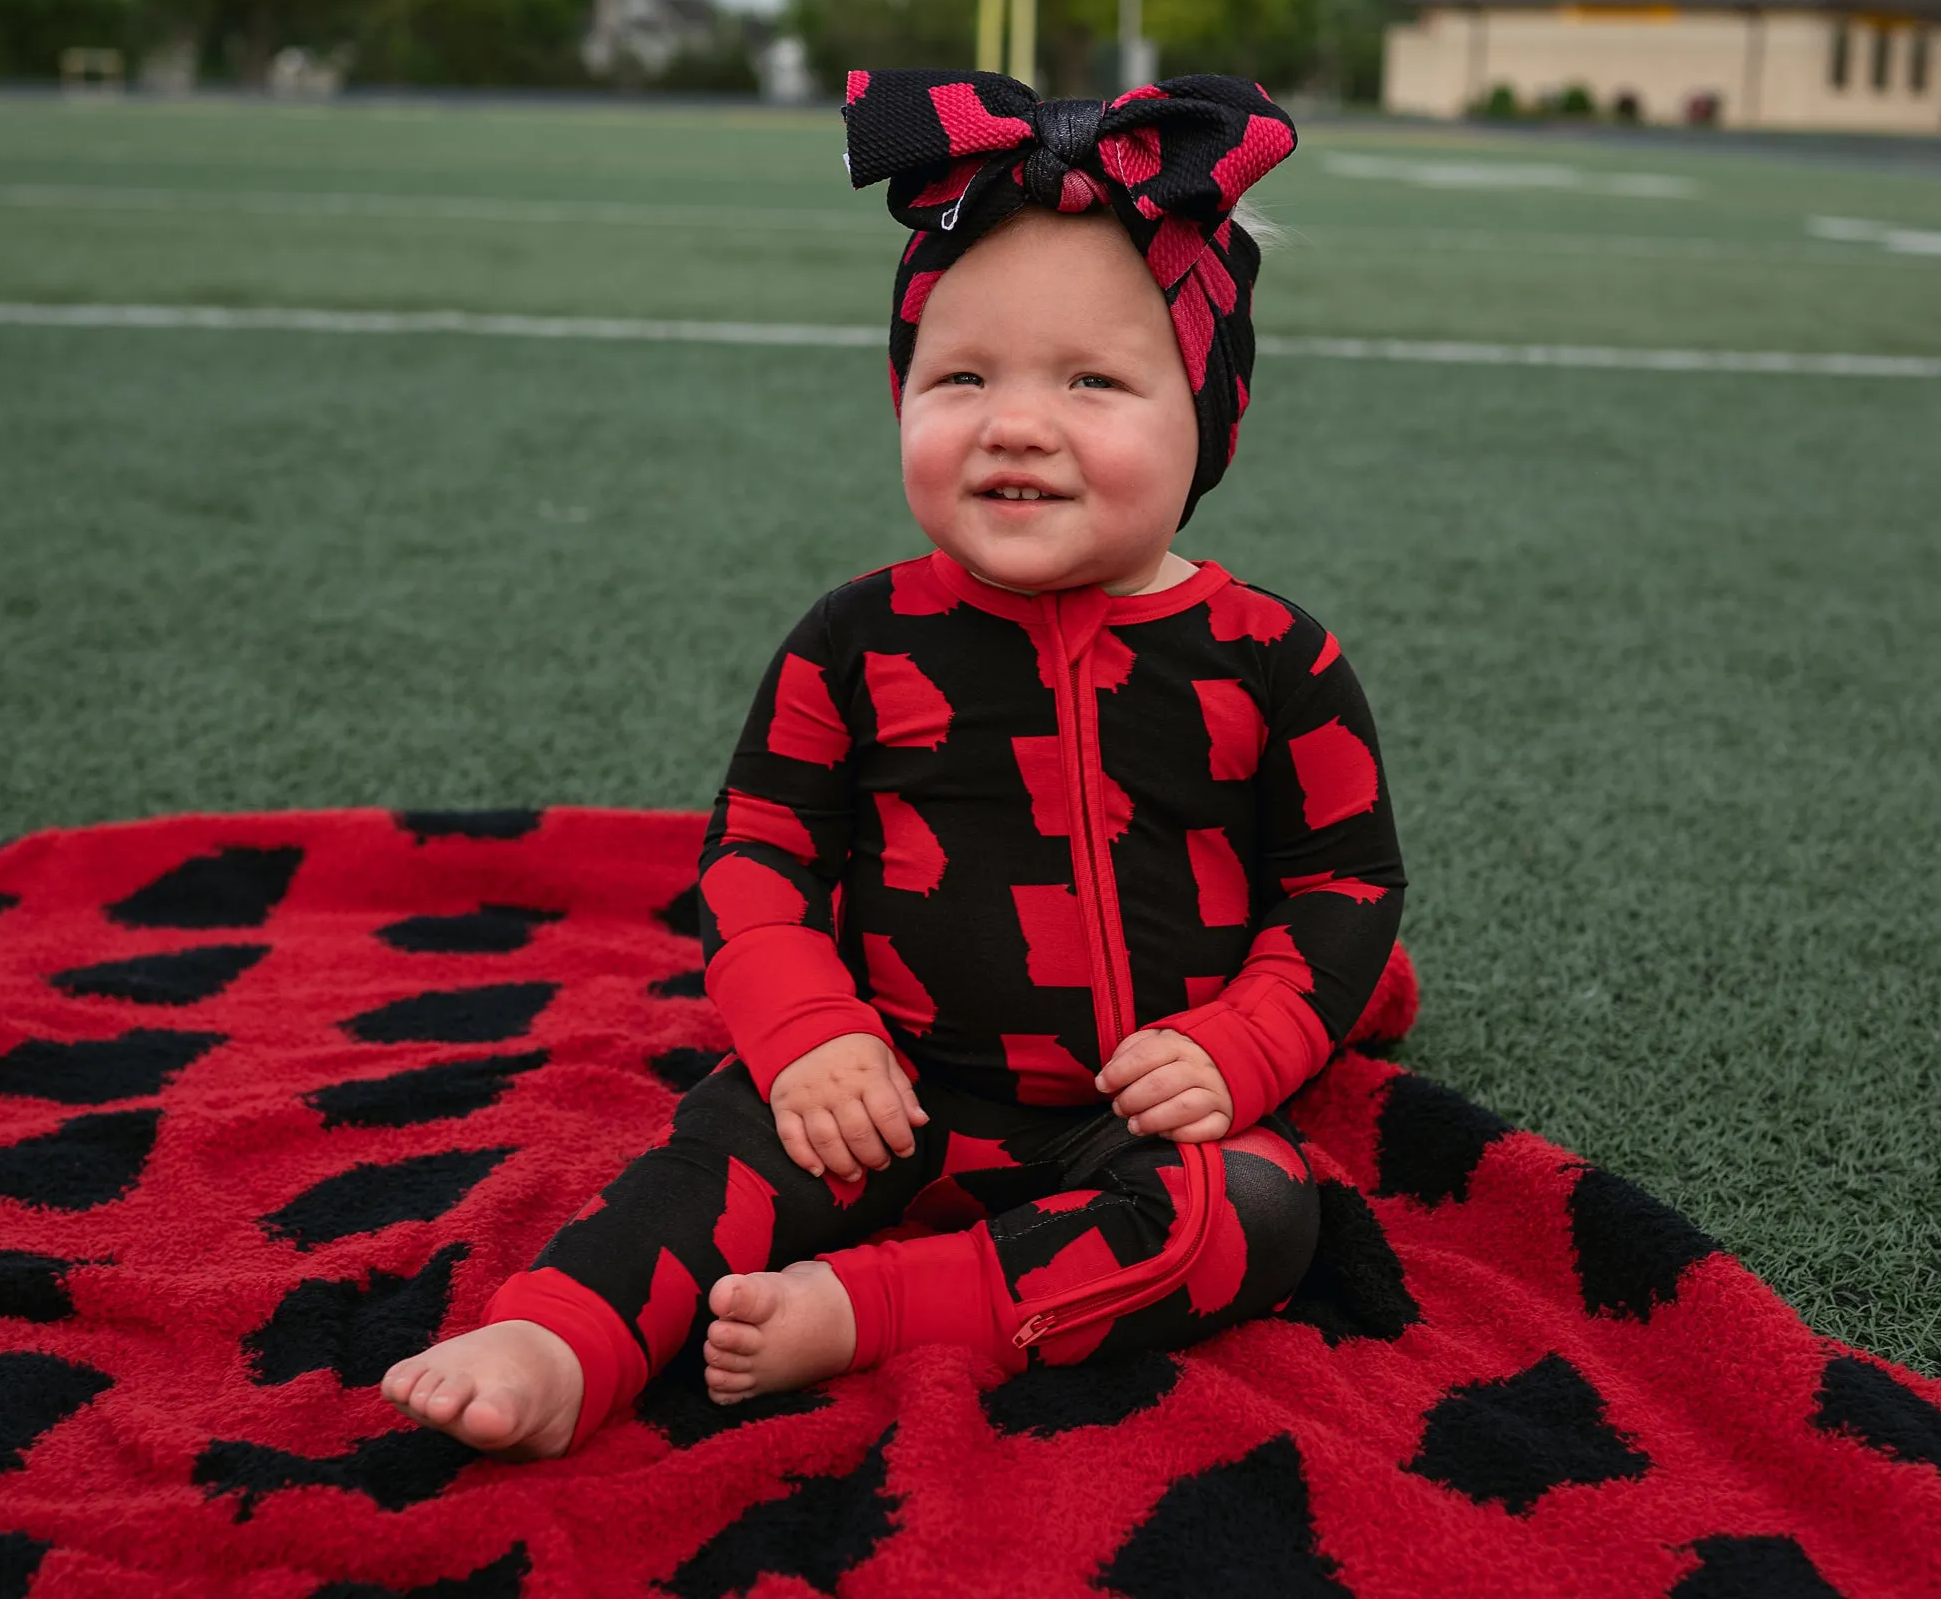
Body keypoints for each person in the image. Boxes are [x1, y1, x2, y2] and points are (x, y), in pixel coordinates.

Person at [381, 70, 1407, 1460]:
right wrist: (811, 1032)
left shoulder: (1275, 660)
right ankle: (558, 1335)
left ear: (1211, 415)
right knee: (714, 1159)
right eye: (961, 377)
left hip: (1134, 1119)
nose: (1017, 423)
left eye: (1094, 381)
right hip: (890, 1090)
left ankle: (873, 1312)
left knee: (1263, 1216)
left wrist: (1247, 1043)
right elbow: (756, 858)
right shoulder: (857, 640)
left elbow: (1342, 887)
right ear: (902, 394)